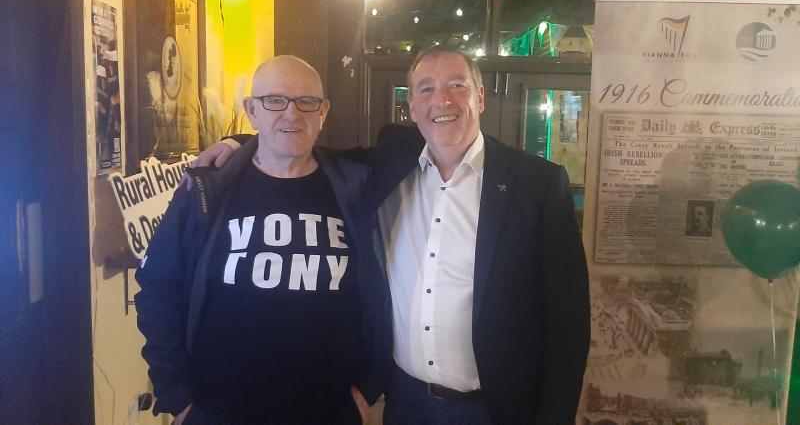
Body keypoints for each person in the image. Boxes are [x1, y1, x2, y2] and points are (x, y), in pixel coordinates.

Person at [198, 47, 590, 424]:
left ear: (481, 97)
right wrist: (242, 141)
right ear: (412, 107)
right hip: (406, 404)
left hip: (497, 409)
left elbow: (568, 326)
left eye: (458, 85)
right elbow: (308, 148)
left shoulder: (537, 184)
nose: (443, 100)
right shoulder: (391, 161)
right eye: (426, 89)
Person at [135, 55, 372, 425]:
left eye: (307, 102)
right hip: (219, 410)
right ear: (252, 110)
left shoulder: (355, 188)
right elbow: (157, 289)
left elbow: (384, 294)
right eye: (275, 100)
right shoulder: (206, 188)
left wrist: (369, 386)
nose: (292, 114)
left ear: (323, 112)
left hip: (328, 409)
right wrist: (177, 396)